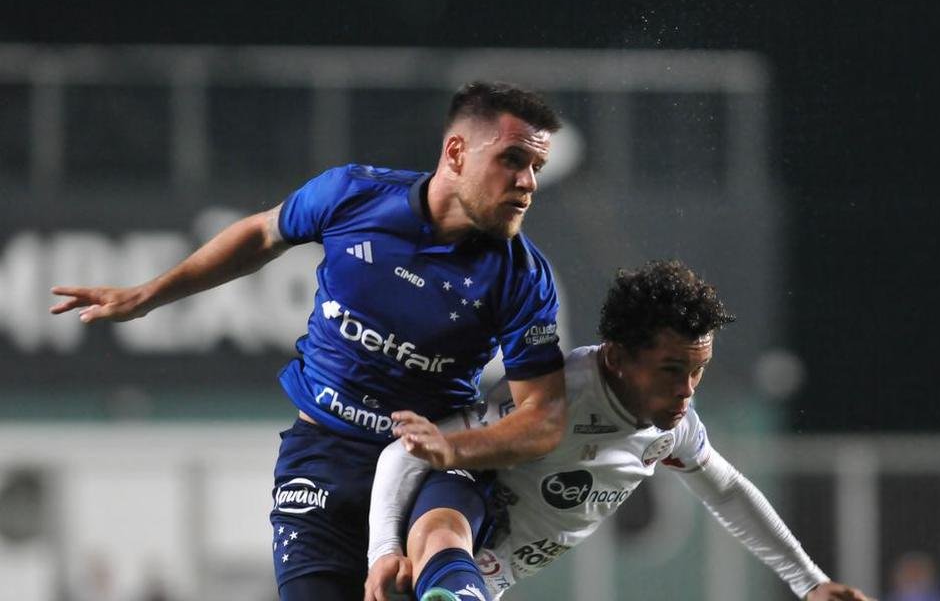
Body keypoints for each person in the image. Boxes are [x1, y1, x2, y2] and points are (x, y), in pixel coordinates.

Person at [49, 82, 570, 601]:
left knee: (440, 547)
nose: (527, 183)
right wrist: (150, 294)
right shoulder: (353, 195)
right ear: (455, 152)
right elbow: (261, 233)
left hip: (428, 460)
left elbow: (543, 415)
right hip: (323, 457)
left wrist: (452, 447)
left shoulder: (521, 276)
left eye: (535, 169)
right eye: (512, 160)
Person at [365, 260, 877, 601]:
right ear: (617, 358)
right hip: (456, 519)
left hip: (494, 570)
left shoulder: (674, 428)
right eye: (671, 370)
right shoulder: (555, 395)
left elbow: (727, 491)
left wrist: (810, 584)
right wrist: (383, 551)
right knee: (449, 510)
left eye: (698, 370)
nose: (687, 390)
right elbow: (407, 455)